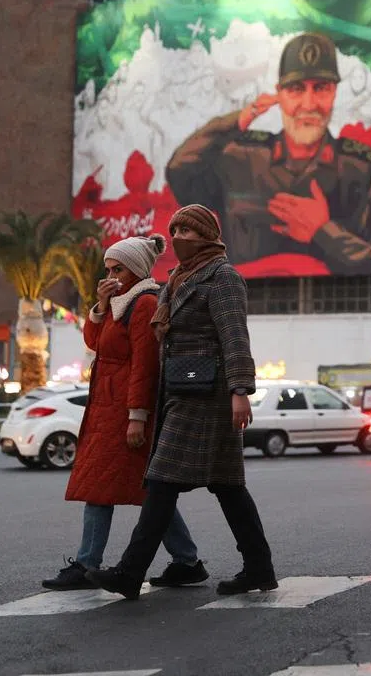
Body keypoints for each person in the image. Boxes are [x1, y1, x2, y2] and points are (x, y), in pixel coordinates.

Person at [86, 204, 276, 599]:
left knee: (161, 482)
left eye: (189, 231)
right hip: (180, 393)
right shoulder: (176, 280)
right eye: (175, 230)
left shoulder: (222, 278)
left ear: (208, 234)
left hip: (208, 395)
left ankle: (129, 571)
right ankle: (258, 566)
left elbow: (235, 337)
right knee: (227, 486)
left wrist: (240, 391)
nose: (179, 238)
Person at [163, 32, 371, 275]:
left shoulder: (368, 171)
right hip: (243, 309)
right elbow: (180, 171)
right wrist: (239, 119)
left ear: (334, 93)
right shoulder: (240, 158)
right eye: (296, 89)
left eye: (321, 88)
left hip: (343, 309)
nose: (308, 104)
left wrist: (324, 232)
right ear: (279, 94)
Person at [43, 234, 208, 591]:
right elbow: (95, 342)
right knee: (147, 491)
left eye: (118, 268)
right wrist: (100, 305)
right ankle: (186, 560)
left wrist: (137, 415)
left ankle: (87, 564)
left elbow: (144, 366)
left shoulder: (145, 302)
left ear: (135, 269)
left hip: (124, 412)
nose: (111, 275)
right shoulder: (119, 302)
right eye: (108, 269)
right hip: (107, 408)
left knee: (103, 487)